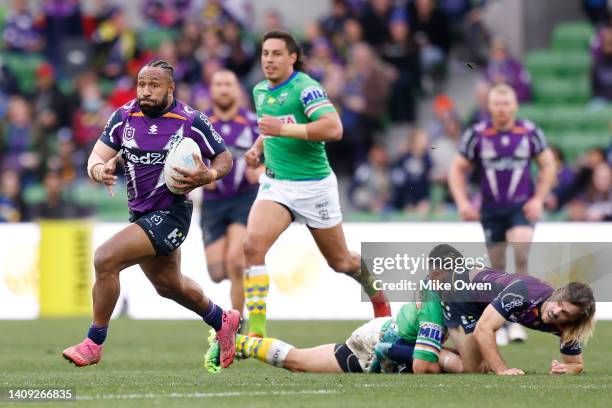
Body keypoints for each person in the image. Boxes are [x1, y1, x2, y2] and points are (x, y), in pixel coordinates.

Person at [62, 60, 240, 368]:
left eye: (153, 85)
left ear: (171, 88)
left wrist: (208, 176)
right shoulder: (124, 116)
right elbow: (97, 155)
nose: (145, 91)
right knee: (170, 286)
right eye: (141, 84)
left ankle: (94, 342)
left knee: (105, 258)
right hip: (141, 216)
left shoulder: (190, 120)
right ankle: (222, 320)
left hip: (172, 214)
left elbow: (224, 157)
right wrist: (98, 170)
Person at [242, 30, 391, 337]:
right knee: (252, 246)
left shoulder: (306, 88)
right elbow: (272, 127)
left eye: (276, 54)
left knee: (341, 261)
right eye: (265, 53)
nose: (269, 60)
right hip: (277, 184)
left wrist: (282, 132)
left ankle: (379, 298)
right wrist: (258, 147)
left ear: (292, 57)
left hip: (314, 186)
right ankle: (256, 331)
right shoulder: (260, 90)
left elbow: (333, 128)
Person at [448, 84, 556, 344]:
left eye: (506, 103)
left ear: (515, 106)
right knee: (497, 267)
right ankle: (502, 321)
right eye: (497, 103)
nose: (501, 108)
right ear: (489, 106)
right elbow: (457, 168)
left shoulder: (529, 132)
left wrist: (539, 198)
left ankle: (521, 318)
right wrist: (462, 202)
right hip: (491, 210)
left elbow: (548, 164)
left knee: (520, 253)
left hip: (521, 207)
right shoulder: (477, 134)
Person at [427, 244, 596, 375]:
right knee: (476, 368)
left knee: (482, 362)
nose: (556, 312)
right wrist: (502, 369)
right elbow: (484, 329)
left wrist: (566, 369)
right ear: (557, 293)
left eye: (565, 314)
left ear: (573, 319)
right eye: (559, 304)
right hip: (462, 291)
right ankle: (416, 349)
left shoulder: (570, 326)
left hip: (485, 299)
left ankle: (451, 349)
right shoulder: (523, 293)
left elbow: (576, 364)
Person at [204, 291, 462, 375]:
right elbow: (423, 367)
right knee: (298, 361)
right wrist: (450, 361)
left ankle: (237, 342)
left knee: (297, 361)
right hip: (375, 341)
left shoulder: (452, 299)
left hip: (379, 331)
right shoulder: (436, 305)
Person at [201, 69, 260, 315]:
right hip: (213, 202)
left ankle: (235, 323)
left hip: (244, 199)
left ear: (237, 90)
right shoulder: (201, 123)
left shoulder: (253, 123)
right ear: (211, 90)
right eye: (218, 84)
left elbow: (276, 154)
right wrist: (200, 174)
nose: (224, 89)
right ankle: (247, 278)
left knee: (237, 263)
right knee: (217, 273)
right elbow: (182, 156)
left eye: (229, 84)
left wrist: (263, 169)